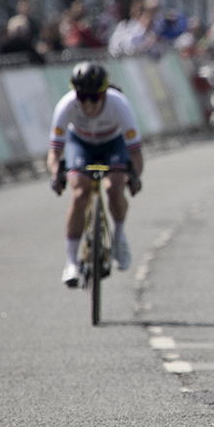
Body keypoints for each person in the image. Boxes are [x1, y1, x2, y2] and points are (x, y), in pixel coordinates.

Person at [47, 62, 143, 287]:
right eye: (83, 98)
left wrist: (136, 176)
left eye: (94, 98)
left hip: (112, 144)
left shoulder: (119, 105)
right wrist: (55, 173)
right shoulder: (66, 106)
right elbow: (54, 153)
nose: (88, 104)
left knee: (114, 186)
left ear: (104, 95)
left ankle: (119, 236)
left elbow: (137, 154)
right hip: (80, 143)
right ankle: (71, 262)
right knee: (80, 192)